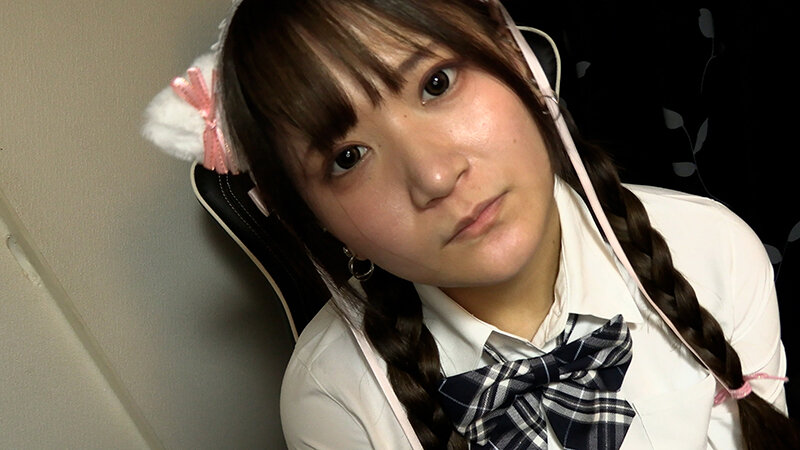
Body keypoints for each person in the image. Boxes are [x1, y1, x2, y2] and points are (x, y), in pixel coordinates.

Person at [216, 0, 798, 448]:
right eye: (348, 157)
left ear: (515, 57)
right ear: (316, 221)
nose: (435, 175)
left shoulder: (711, 249)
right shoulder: (333, 399)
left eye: (437, 83)